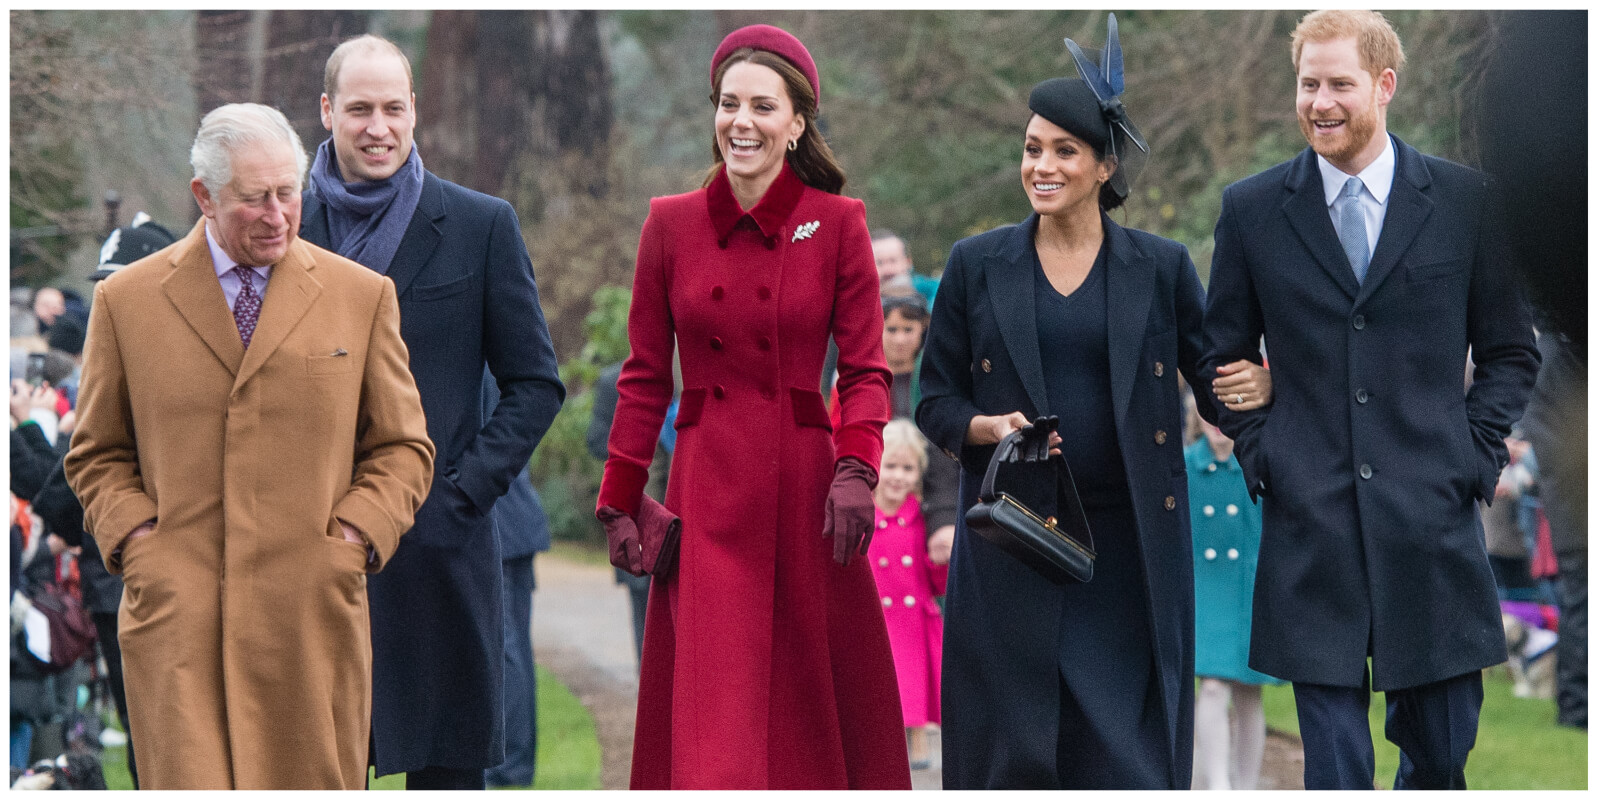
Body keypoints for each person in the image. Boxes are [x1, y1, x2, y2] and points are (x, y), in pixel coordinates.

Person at [915, 15, 1272, 789]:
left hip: (1133, 551)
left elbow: (1214, 378)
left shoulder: (1161, 267)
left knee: (1128, 758)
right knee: (1018, 752)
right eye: (1031, 148)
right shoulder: (976, 266)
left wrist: (1259, 390)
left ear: (1105, 166)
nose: (1041, 166)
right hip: (1016, 541)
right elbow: (934, 399)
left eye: (1063, 151)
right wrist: (984, 426)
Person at [1200, 10, 1540, 790]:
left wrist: (1472, 456)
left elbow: (1510, 352)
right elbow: (1218, 355)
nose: (1320, 101)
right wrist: (1264, 451)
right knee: (1336, 766)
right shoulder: (1251, 211)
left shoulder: (1466, 203)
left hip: (1432, 525)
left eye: (1339, 84)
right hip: (1308, 528)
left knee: (1442, 755)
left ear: (1384, 86)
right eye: (1308, 84)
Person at [63, 102, 435, 789]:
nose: (277, 215)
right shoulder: (128, 302)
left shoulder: (361, 296)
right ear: (203, 196)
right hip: (179, 625)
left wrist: (352, 538)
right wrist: (143, 546)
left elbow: (403, 448)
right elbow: (96, 452)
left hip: (309, 622)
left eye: (288, 193)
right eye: (254, 198)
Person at [595, 24, 910, 789]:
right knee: (717, 721)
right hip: (707, 495)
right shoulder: (669, 224)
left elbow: (866, 369)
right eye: (728, 104)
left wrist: (856, 470)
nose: (742, 122)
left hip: (807, 495)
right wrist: (620, 500)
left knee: (807, 715)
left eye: (762, 106)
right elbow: (644, 377)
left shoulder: (839, 224)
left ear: (797, 122)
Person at [299, 35, 566, 789]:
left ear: (416, 110)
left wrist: (461, 494)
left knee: (446, 771)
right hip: (312, 550)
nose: (377, 126)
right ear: (327, 112)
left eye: (392, 107)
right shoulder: (284, 230)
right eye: (359, 109)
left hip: (439, 549)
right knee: (315, 765)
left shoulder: (481, 224)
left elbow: (535, 384)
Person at [1186, 417, 1281, 790]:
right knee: (1212, 687)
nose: (1216, 424)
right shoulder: (1187, 465)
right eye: (1207, 415)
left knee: (1247, 695)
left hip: (1249, 590)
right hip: (1207, 589)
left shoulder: (1256, 463)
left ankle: (1245, 787)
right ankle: (1219, 788)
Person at [868, 420, 947, 771]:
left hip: (913, 619)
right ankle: (881, 747)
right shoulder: (864, 514)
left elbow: (936, 580)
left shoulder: (922, 517)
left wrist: (941, 559)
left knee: (913, 686)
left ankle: (916, 746)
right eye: (891, 466)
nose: (899, 476)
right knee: (878, 688)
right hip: (876, 620)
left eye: (908, 468)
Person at [872, 230, 939, 309]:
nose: (888, 270)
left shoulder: (933, 293)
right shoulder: (861, 299)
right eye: (879, 262)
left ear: (908, 262)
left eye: (893, 260)